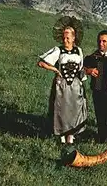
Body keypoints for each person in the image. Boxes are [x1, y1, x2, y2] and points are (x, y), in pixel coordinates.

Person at [38, 16, 87, 145]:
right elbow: (41, 63)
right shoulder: (58, 50)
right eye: (64, 37)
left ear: (74, 37)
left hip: (75, 85)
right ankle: (61, 136)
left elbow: (81, 68)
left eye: (68, 37)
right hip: (62, 85)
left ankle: (71, 136)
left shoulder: (79, 51)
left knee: (74, 110)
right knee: (61, 110)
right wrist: (55, 70)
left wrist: (82, 80)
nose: (65, 40)